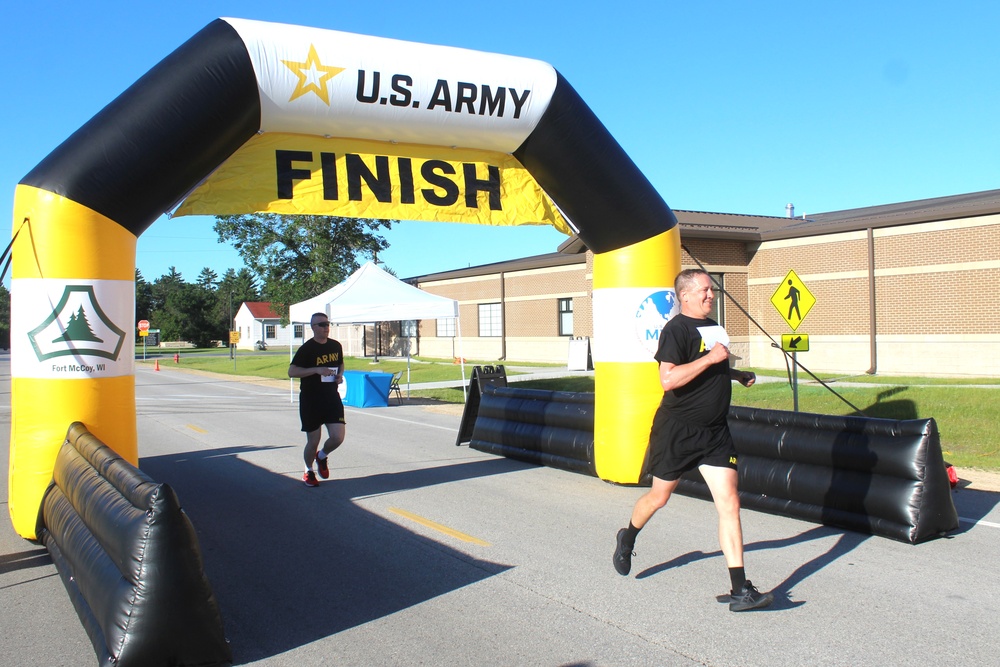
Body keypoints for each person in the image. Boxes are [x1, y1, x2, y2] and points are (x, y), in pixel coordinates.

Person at [612, 269, 773, 612]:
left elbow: (707, 367)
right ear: (685, 295)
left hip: (715, 432)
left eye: (711, 290)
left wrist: (732, 372)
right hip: (678, 431)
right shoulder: (676, 330)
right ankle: (627, 537)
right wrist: (713, 358)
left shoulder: (712, 326)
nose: (710, 295)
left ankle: (739, 590)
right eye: (704, 290)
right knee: (659, 497)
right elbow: (668, 379)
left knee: (730, 503)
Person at [288, 313, 346, 487]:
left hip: (331, 397)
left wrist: (340, 375)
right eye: (321, 324)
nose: (325, 327)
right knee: (313, 441)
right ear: (313, 327)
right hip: (311, 399)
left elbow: (340, 364)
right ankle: (308, 470)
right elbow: (292, 372)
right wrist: (316, 370)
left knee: (338, 437)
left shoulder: (336, 346)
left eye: (327, 324)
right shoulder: (307, 349)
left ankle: (321, 456)